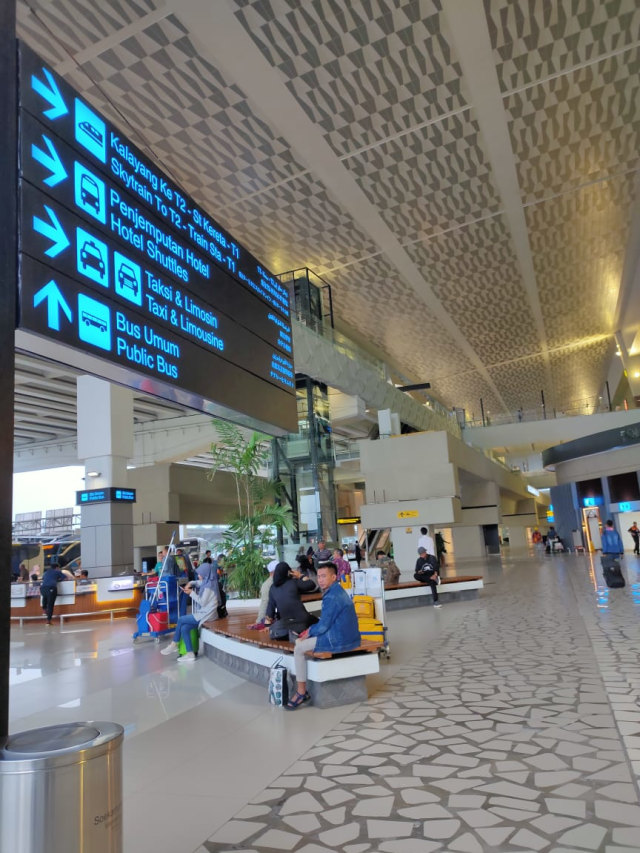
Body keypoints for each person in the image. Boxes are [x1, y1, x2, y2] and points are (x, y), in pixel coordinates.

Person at [287, 563, 360, 709]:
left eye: (324, 576)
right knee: (303, 639)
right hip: (349, 635)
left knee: (299, 647)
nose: (320, 580)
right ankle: (303, 688)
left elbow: (323, 626)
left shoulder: (332, 597)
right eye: (319, 576)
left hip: (340, 638)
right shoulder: (336, 590)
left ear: (334, 577)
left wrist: (307, 633)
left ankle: (302, 692)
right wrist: (309, 632)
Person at [160, 562, 219, 662]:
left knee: (181, 619)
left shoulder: (208, 587)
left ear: (205, 574)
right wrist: (191, 583)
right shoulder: (208, 581)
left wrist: (191, 593)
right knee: (184, 628)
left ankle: (174, 643)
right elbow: (198, 582)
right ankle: (190, 653)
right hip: (205, 613)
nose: (199, 575)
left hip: (207, 615)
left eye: (200, 574)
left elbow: (202, 602)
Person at [264, 562, 317, 637]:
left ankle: (294, 633)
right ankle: (298, 632)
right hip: (303, 619)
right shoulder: (293, 582)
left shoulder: (272, 588)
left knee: (282, 627)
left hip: (286, 622)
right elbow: (311, 584)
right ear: (288, 572)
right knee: (317, 621)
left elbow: (270, 608)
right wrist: (300, 575)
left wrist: (267, 625)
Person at [255, 559, 278, 624]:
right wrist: (259, 621)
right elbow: (265, 603)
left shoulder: (283, 581)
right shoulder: (267, 585)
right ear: (273, 572)